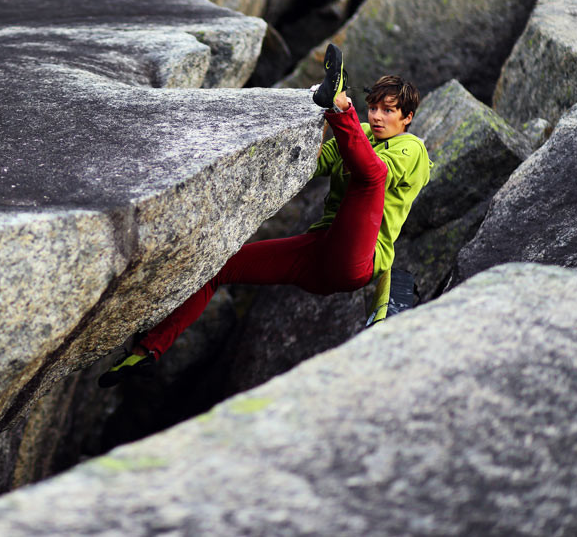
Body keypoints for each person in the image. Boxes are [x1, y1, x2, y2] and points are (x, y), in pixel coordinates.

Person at [99, 44, 431, 388]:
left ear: (406, 118)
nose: (376, 116)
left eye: (388, 111)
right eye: (373, 107)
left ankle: (337, 101)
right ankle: (148, 350)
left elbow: (373, 173)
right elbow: (309, 165)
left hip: (357, 261)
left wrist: (338, 111)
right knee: (221, 266)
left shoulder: (412, 148)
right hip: (316, 257)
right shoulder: (359, 133)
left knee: (371, 178)